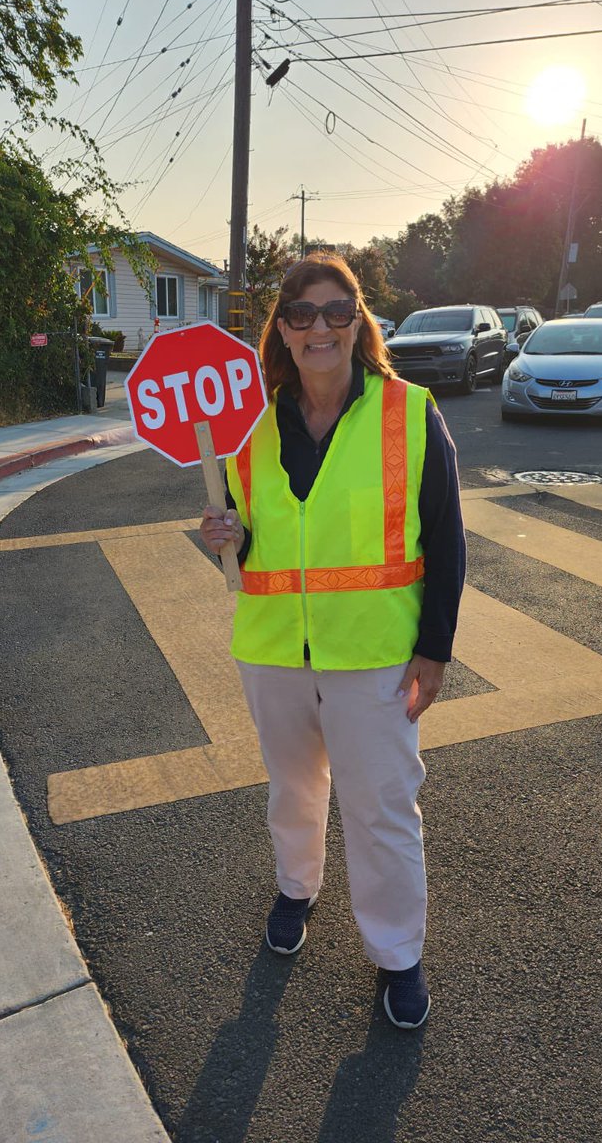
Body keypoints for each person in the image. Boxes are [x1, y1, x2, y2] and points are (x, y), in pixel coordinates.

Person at [199, 253, 465, 1030]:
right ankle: (295, 888)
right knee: (293, 789)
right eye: (302, 313)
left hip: (376, 655)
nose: (320, 327)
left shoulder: (411, 411)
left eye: (336, 311)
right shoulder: (244, 422)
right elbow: (244, 538)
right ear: (281, 327)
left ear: (358, 320)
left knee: (381, 808)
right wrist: (222, 534)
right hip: (274, 647)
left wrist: (435, 650)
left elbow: (446, 540)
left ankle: (398, 956)